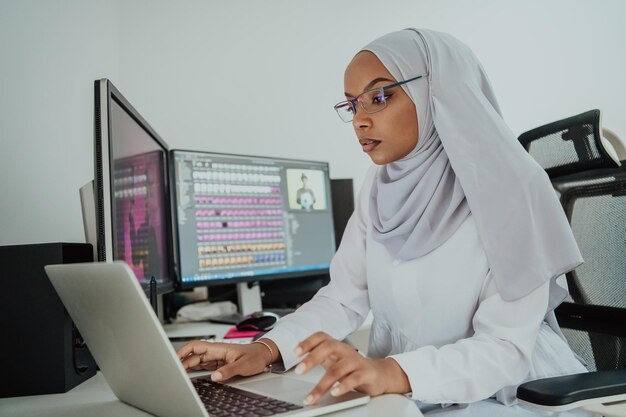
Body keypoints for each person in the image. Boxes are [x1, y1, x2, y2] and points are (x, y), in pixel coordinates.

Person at [177, 28, 591, 415]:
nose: (359, 119)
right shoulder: (382, 184)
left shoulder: (513, 188)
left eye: (379, 98)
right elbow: (343, 297)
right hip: (405, 391)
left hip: (509, 396)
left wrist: (393, 373)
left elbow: (504, 348)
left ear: (437, 92)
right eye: (352, 103)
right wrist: (266, 348)